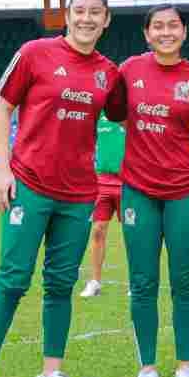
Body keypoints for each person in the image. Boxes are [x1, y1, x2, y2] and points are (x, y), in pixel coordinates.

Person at [0, 0, 124, 377]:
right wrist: (1, 167)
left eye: (96, 12)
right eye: (80, 11)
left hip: (77, 195)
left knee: (59, 286)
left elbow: (126, 111)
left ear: (106, 20)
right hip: (29, 185)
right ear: (67, 14)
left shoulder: (108, 74)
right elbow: (2, 107)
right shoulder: (35, 53)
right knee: (12, 281)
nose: (87, 18)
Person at [105, 4, 189, 377]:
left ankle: (186, 370)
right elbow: (117, 113)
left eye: (173, 25)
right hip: (138, 189)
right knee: (142, 283)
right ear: (147, 33)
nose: (166, 32)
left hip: (185, 190)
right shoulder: (130, 70)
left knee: (185, 283)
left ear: (185, 32)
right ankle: (147, 371)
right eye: (158, 26)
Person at [80, 111, 126, 298]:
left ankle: (136, 282)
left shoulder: (128, 111)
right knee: (98, 230)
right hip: (102, 181)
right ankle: (95, 282)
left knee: (132, 235)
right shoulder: (98, 114)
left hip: (128, 182)